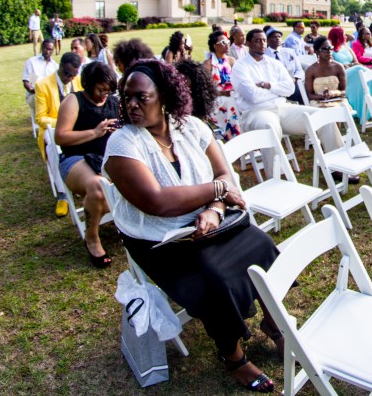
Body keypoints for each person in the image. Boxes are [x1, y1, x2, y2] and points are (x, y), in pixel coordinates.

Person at [103, 60, 281, 392]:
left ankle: (274, 324)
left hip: (209, 222)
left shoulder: (191, 127)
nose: (131, 104)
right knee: (215, 279)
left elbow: (224, 173)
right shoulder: (123, 143)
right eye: (126, 97)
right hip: (159, 240)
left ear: (164, 97)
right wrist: (218, 191)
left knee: (262, 245)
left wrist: (215, 208)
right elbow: (157, 202)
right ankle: (233, 356)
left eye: (141, 97)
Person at [230, 29, 344, 180]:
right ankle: (276, 179)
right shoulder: (240, 66)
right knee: (270, 128)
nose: (262, 44)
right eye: (257, 41)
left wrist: (267, 85)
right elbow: (252, 96)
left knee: (323, 117)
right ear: (248, 43)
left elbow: (290, 89)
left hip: (283, 108)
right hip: (257, 112)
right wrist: (278, 90)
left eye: (264, 40)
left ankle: (337, 166)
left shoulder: (274, 63)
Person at [54, 61, 120, 267]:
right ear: (88, 84)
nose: (104, 94)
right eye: (101, 89)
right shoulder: (74, 101)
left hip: (106, 159)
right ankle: (92, 238)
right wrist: (94, 132)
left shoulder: (113, 102)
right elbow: (60, 137)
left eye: (108, 90)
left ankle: (130, 222)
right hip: (77, 159)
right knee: (98, 186)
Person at [35, 52, 83, 157]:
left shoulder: (79, 80)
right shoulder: (42, 85)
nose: (70, 78)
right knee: (56, 150)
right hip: (53, 129)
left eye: (73, 76)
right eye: (67, 73)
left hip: (79, 126)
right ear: (60, 66)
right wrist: (64, 124)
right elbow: (40, 118)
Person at [204, 31, 240, 141]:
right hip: (217, 97)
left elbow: (238, 80)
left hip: (233, 93)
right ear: (215, 46)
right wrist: (222, 92)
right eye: (224, 42)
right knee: (230, 102)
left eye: (228, 42)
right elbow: (205, 88)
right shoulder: (208, 64)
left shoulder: (231, 61)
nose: (227, 44)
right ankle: (234, 135)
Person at [304, 36, 347, 107]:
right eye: (325, 49)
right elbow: (310, 95)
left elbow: (344, 91)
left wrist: (334, 93)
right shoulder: (311, 70)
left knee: (342, 108)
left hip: (337, 101)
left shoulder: (339, 67)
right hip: (318, 102)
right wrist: (323, 96)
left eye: (331, 48)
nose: (329, 51)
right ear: (317, 51)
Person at [22, 38, 58, 114]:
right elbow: (26, 82)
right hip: (34, 94)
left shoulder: (55, 66)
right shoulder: (32, 62)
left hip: (49, 95)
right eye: (45, 48)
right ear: (42, 47)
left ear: (53, 50)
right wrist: (35, 91)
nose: (47, 51)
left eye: (50, 49)